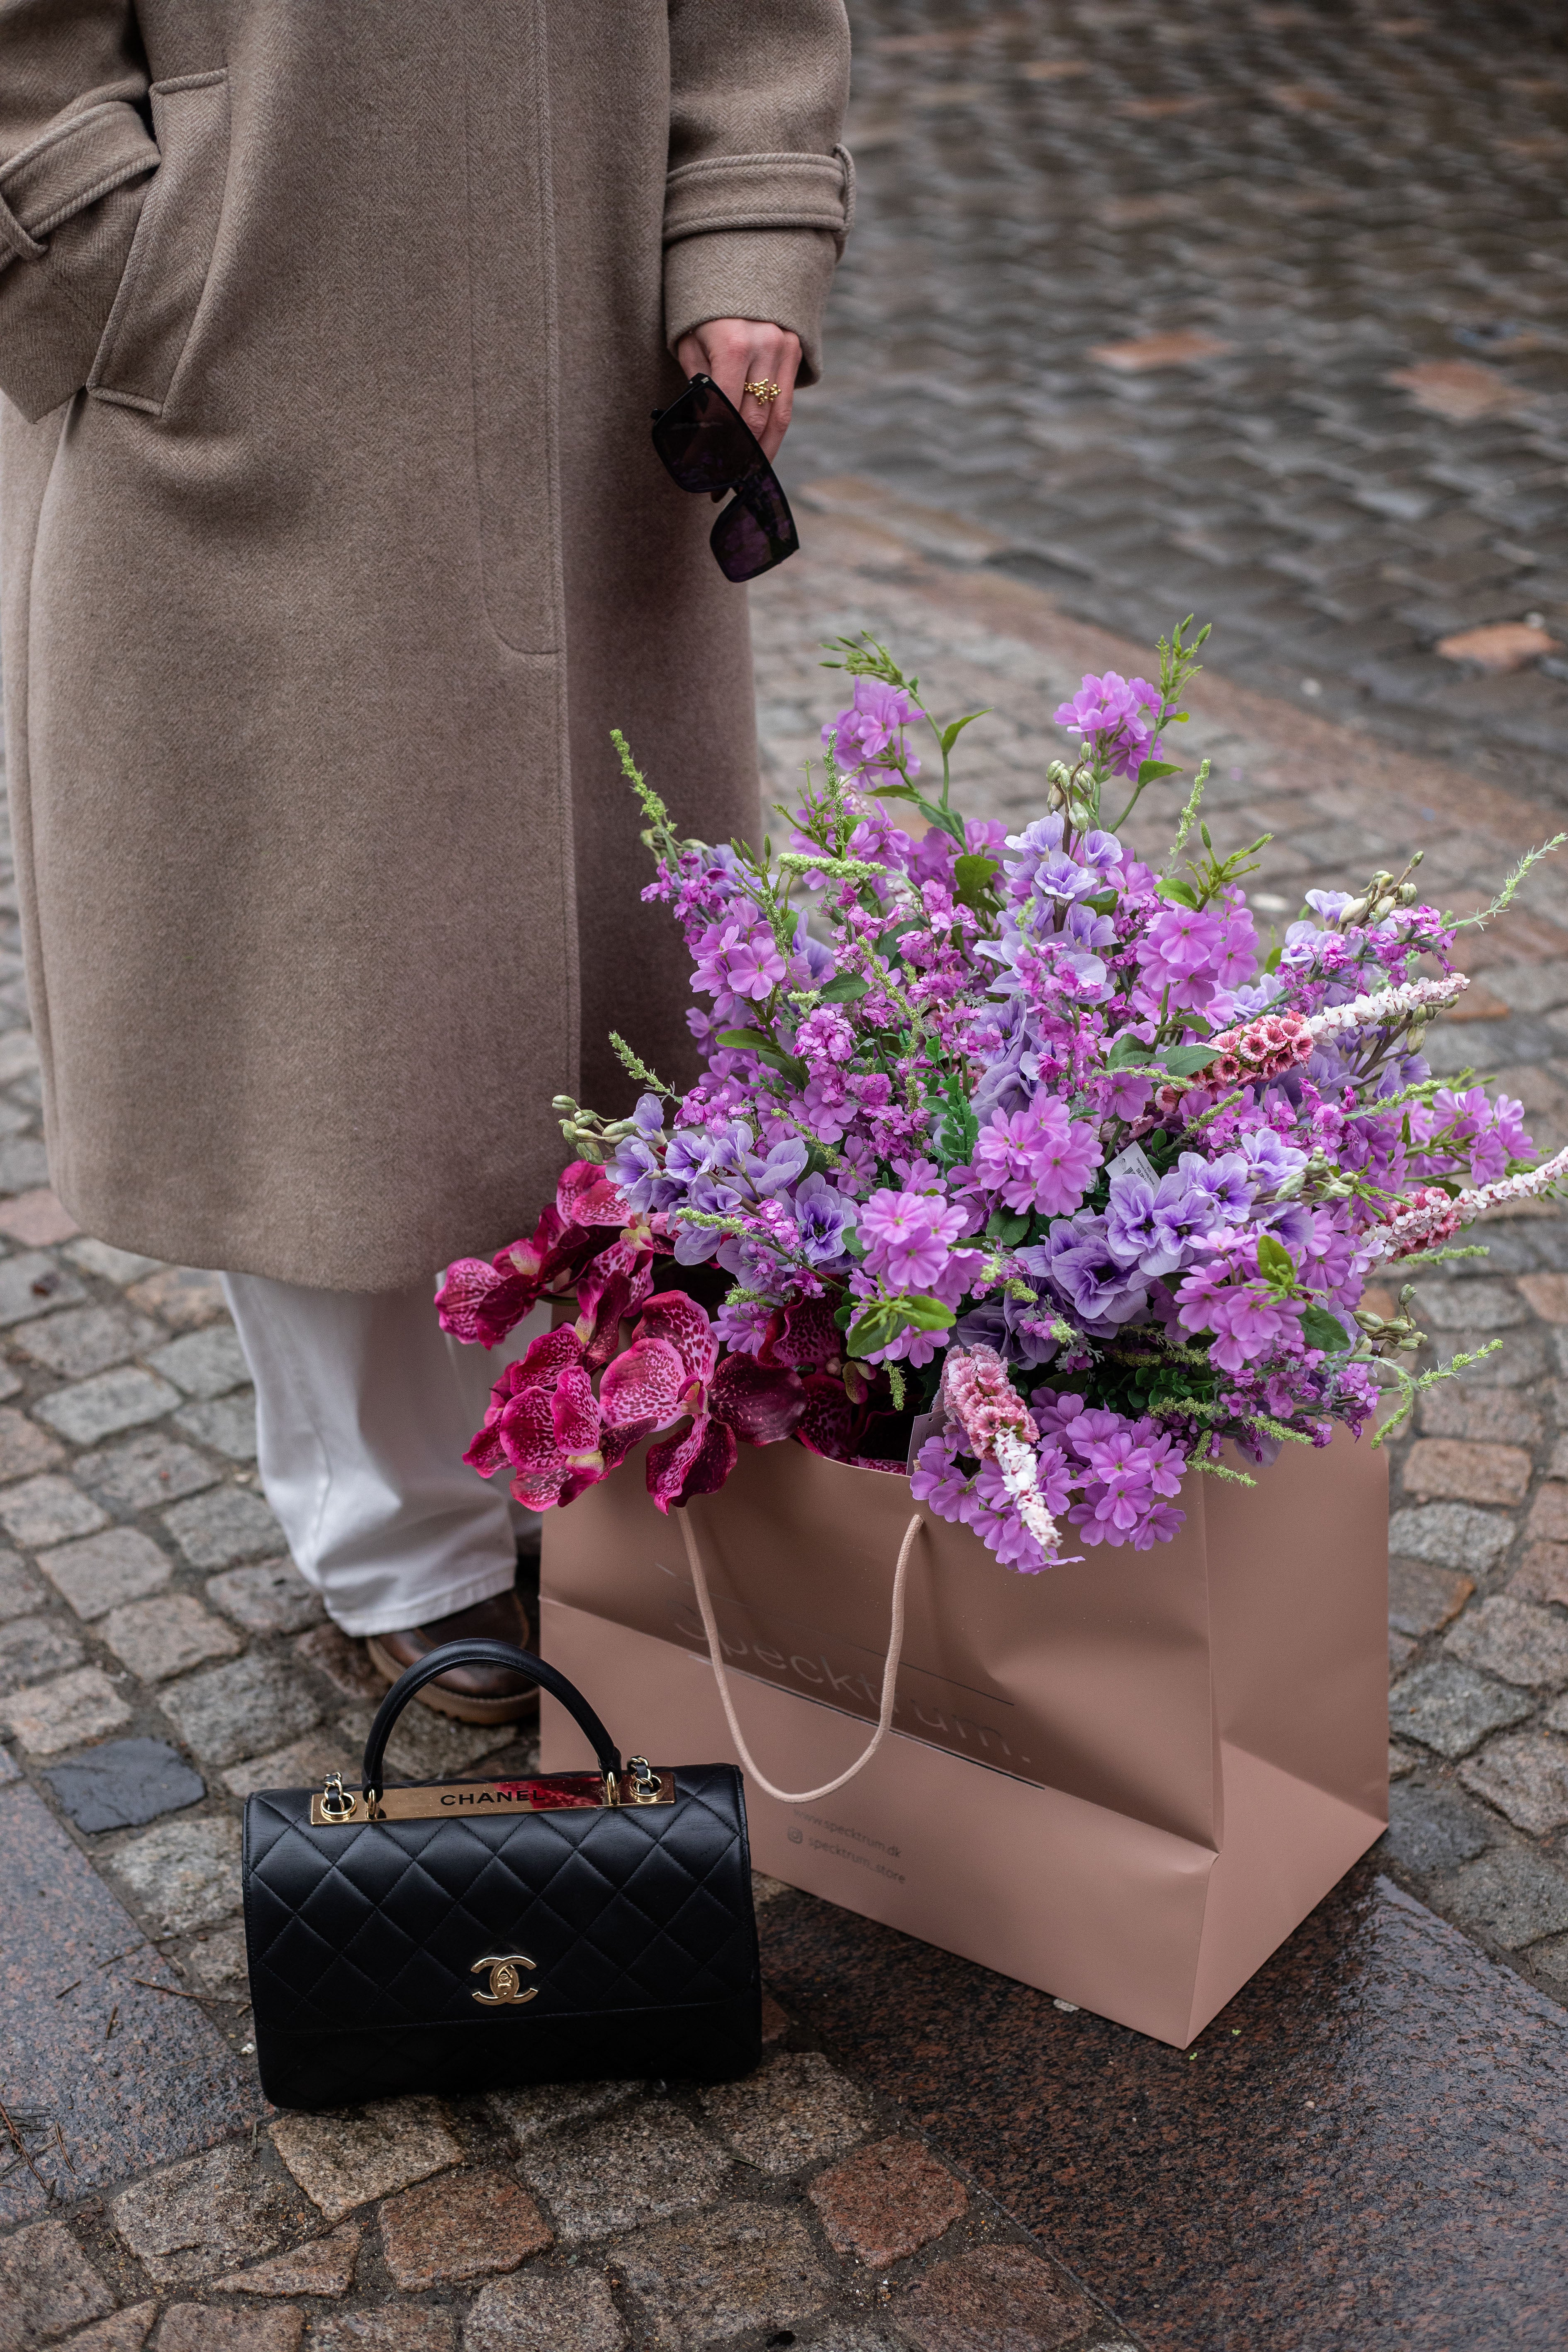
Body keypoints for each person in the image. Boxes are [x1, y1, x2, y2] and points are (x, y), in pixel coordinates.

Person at [0, 1, 852, 1726]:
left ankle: (602, 1445)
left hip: (594, 350)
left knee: (606, 965)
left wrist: (745, 222)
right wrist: (133, 259)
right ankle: (405, 1545)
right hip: (253, 360)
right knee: (309, 982)